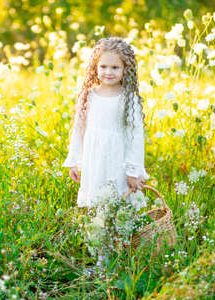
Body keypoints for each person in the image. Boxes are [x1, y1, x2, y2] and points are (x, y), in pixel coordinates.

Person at [62, 37, 150, 276]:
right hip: (95, 162)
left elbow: (135, 136)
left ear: (125, 69)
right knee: (98, 212)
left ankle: (122, 262)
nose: (108, 72)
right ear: (95, 67)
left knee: (118, 211)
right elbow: (79, 131)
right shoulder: (88, 96)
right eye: (103, 67)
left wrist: (133, 170)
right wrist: (75, 161)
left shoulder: (128, 98)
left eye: (115, 67)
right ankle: (102, 264)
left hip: (117, 163)